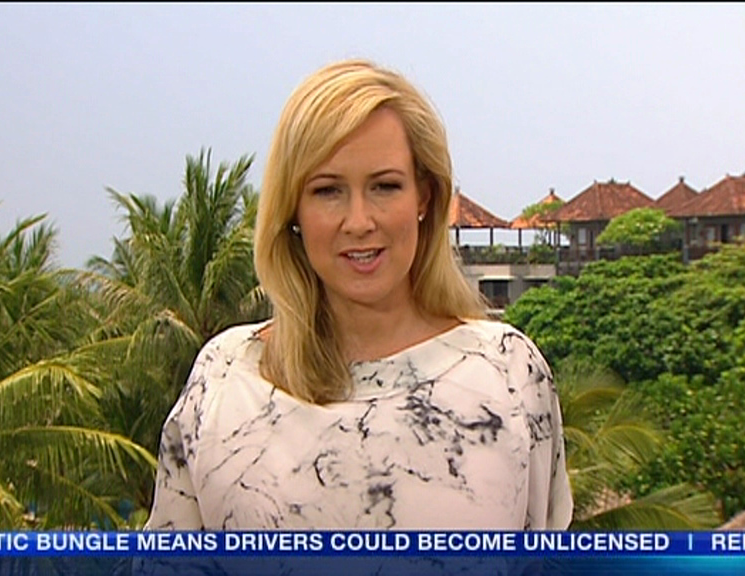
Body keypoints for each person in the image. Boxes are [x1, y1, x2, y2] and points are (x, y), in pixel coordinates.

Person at [144, 58, 572, 531]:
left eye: (385, 186)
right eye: (328, 191)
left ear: (425, 197)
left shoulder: (508, 373)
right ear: (292, 209)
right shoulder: (226, 378)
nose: (359, 221)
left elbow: (544, 554)